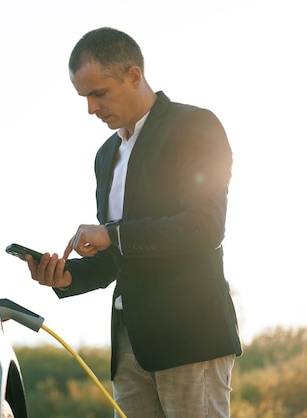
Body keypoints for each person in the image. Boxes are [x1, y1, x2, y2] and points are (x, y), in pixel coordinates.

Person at [22, 27, 242, 417]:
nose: (91, 108)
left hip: (189, 337)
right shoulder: (105, 156)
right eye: (84, 97)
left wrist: (111, 234)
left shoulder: (195, 125)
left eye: (98, 93)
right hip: (127, 347)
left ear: (134, 76)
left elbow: (206, 227)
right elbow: (117, 256)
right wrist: (66, 277)